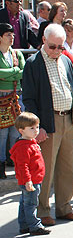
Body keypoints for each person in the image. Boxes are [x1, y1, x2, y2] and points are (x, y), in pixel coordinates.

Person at [22, 24, 73, 227]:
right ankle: (43, 210)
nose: (56, 51)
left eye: (60, 47)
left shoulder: (65, 60)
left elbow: (72, 91)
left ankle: (64, 207)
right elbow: (29, 98)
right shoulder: (33, 63)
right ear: (44, 42)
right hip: (48, 121)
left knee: (68, 167)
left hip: (68, 120)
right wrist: (38, 126)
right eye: (53, 46)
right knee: (44, 169)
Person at [9, 112, 49, 235]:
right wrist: (28, 181)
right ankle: (34, 226)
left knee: (24, 203)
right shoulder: (23, 146)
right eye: (31, 128)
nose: (36, 130)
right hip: (30, 180)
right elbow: (22, 166)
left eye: (37, 127)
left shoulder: (31, 142)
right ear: (21, 131)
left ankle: (24, 224)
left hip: (34, 179)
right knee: (31, 204)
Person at [0, 23, 25, 179]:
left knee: (16, 132)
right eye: (8, 35)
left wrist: (8, 74)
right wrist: (15, 72)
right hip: (1, 97)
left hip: (16, 96)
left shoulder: (17, 54)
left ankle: (17, 164)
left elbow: (22, 72)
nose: (12, 37)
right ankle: (1, 165)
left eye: (12, 34)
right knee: (2, 134)